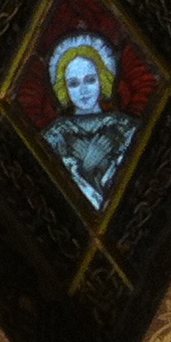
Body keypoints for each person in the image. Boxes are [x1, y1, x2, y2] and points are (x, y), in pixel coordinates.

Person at [42, 33, 138, 210]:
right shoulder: (55, 136)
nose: (83, 91)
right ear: (64, 88)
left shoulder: (125, 127)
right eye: (74, 83)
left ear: (102, 80)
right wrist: (87, 166)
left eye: (90, 80)